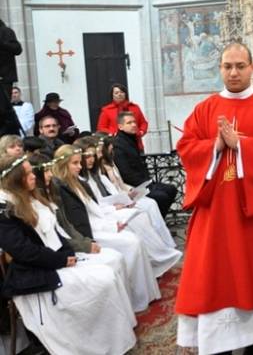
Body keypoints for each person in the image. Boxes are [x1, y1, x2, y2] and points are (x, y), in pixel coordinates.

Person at [175, 42, 253, 355]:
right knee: (214, 280)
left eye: (240, 66)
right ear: (220, 69)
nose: (234, 72)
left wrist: (241, 145)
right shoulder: (205, 109)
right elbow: (187, 147)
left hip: (252, 215)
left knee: (252, 281)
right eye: (227, 66)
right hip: (215, 215)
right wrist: (215, 147)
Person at [0, 155, 138, 355]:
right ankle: (91, 345)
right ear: (15, 179)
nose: (34, 176)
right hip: (35, 274)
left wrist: (68, 253)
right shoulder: (5, 211)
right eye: (28, 173)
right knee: (103, 279)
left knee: (108, 271)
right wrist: (61, 260)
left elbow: (57, 233)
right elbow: (24, 251)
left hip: (55, 261)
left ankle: (107, 340)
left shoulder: (31, 197)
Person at [51, 144, 161, 312]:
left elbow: (93, 209)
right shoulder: (60, 188)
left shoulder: (77, 182)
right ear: (63, 164)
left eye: (79, 162)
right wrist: (109, 227)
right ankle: (135, 298)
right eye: (75, 163)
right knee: (131, 243)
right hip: (89, 232)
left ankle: (142, 294)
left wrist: (111, 223)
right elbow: (77, 222)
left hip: (98, 224)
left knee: (133, 236)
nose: (80, 167)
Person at [76, 136, 176, 249]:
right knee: (139, 215)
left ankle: (162, 245)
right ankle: (155, 249)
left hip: (113, 203)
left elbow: (118, 185)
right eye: (90, 155)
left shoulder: (98, 169)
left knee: (148, 206)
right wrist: (118, 205)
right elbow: (96, 202)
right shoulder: (86, 177)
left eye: (96, 153)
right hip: (104, 212)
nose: (95, 158)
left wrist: (127, 196)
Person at [112, 111, 176, 217]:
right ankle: (155, 224)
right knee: (161, 196)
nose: (133, 125)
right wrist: (147, 185)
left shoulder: (131, 140)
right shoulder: (118, 145)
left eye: (134, 122)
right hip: (132, 187)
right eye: (129, 123)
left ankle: (159, 222)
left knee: (171, 189)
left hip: (144, 183)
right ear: (120, 126)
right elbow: (126, 173)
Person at [96, 83, 149, 150]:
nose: (119, 94)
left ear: (125, 94)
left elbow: (143, 123)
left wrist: (141, 132)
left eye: (122, 92)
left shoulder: (135, 107)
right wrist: (114, 134)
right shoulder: (106, 110)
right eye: (116, 93)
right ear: (112, 95)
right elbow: (101, 128)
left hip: (136, 144)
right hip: (116, 145)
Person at [0, 19, 23, 137]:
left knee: (2, 110)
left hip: (4, 78)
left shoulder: (5, 32)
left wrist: (3, 43)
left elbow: (17, 49)